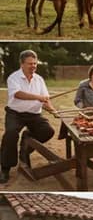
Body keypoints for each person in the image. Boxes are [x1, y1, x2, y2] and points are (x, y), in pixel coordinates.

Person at [3, 50, 56, 184]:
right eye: (30, 64)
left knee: (48, 131)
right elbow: (18, 94)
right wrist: (38, 97)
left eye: (35, 64)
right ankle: (5, 169)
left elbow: (45, 100)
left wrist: (51, 109)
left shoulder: (39, 79)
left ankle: (25, 148)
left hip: (34, 114)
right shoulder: (13, 78)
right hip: (15, 113)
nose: (33, 66)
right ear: (22, 64)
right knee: (10, 134)